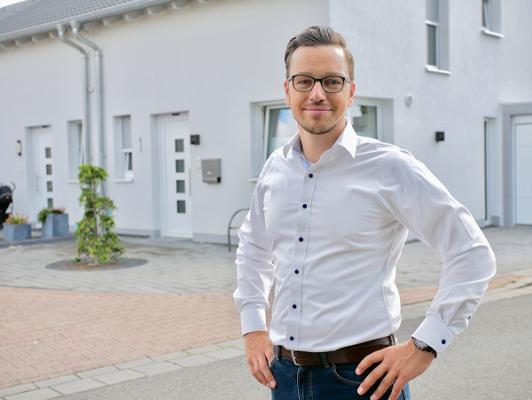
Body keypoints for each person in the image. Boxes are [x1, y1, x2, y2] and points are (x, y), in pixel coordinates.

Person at [233, 25, 496, 400]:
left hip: (362, 381)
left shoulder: (388, 167)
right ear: (287, 90)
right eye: (304, 81)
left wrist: (425, 345)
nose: (318, 93)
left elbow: (472, 254)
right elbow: (253, 248)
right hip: (285, 378)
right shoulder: (275, 168)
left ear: (351, 91)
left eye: (332, 81)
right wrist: (252, 325)